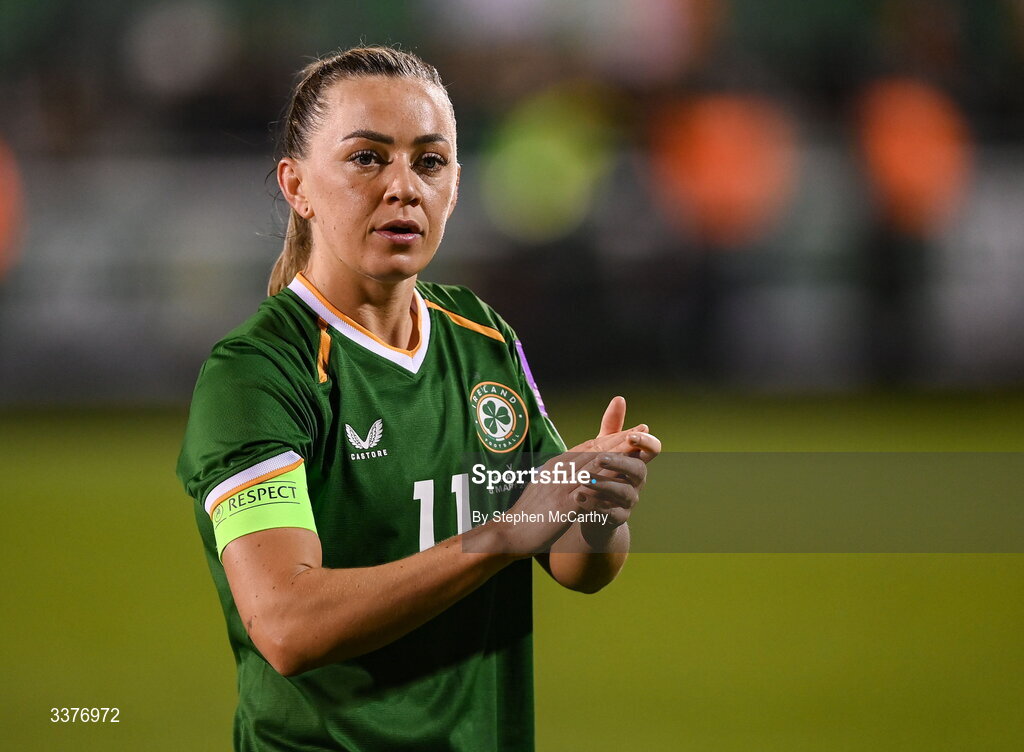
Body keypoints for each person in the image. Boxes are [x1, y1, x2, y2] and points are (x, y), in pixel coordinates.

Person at [177, 46, 661, 752]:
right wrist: (499, 536)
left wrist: (596, 503)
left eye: (429, 162)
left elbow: (576, 564)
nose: (403, 187)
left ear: (456, 187)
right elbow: (287, 625)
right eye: (367, 158)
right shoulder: (258, 374)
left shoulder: (481, 335)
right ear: (297, 185)